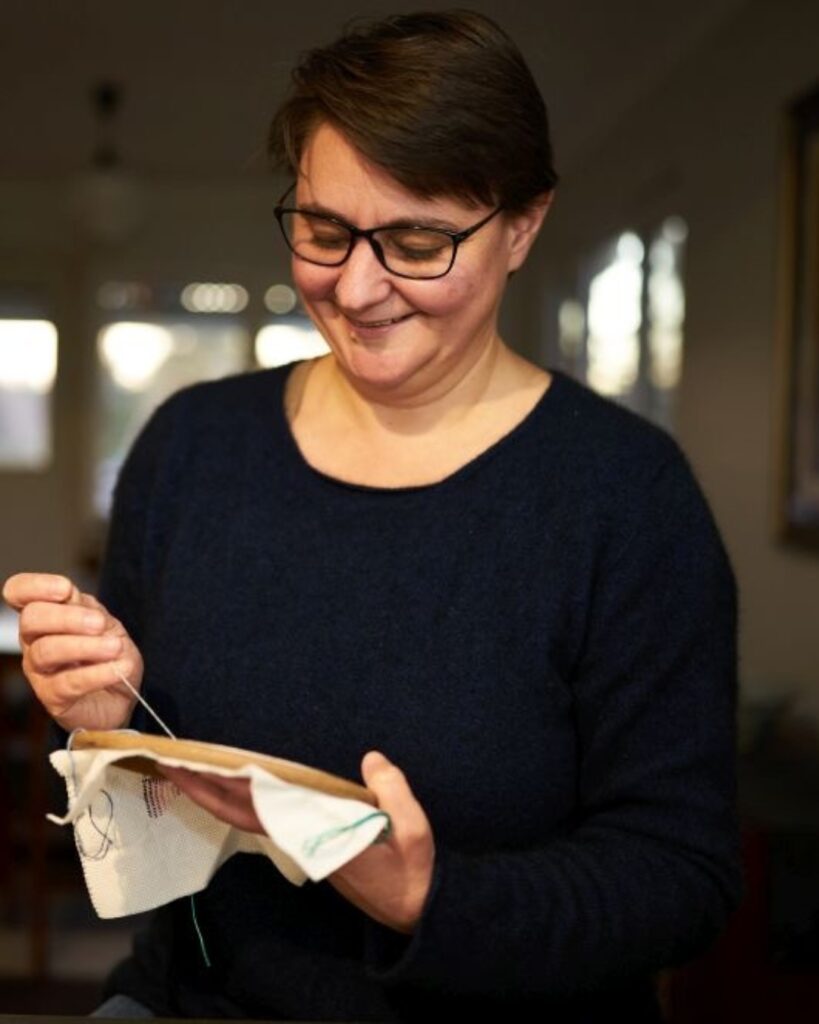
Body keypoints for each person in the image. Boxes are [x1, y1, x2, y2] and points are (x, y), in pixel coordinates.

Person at [2, 10, 740, 1022]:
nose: (354, 286)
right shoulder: (191, 446)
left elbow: (682, 877)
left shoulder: (624, 497)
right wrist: (106, 723)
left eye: (417, 241)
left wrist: (432, 900)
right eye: (324, 230)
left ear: (522, 226)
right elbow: (158, 802)